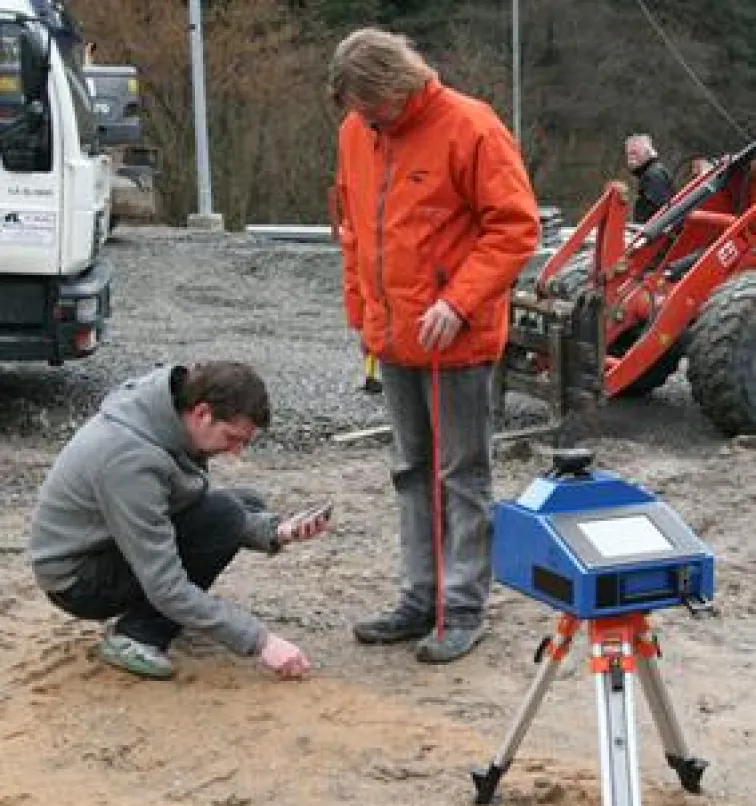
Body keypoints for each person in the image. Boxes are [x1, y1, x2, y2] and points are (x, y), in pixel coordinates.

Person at [328, 28, 540, 663]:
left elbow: (515, 227)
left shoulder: (471, 126)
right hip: (394, 340)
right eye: (357, 112)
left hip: (458, 340)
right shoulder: (356, 133)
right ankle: (420, 599)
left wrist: (459, 301)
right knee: (410, 471)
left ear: (398, 86)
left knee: (461, 475)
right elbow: (352, 230)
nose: (365, 121)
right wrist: (362, 311)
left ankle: (464, 607)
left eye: (372, 108)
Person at [28, 361, 332, 680]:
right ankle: (138, 636)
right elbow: (164, 583)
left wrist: (276, 532)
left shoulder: (165, 416)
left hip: (105, 546)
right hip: (77, 579)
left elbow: (193, 501)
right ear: (202, 413)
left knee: (244, 504)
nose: (236, 452)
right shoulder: (131, 460)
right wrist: (261, 641)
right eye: (232, 438)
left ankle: (156, 620)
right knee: (224, 517)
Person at [625, 134, 675, 223]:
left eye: (634, 153)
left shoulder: (654, 175)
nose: (631, 158)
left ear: (647, 152)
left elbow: (658, 213)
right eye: (628, 154)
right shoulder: (651, 172)